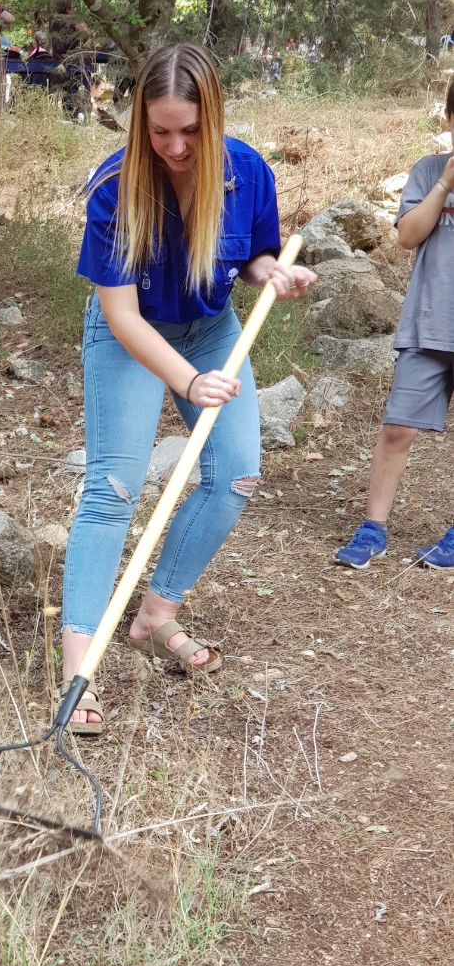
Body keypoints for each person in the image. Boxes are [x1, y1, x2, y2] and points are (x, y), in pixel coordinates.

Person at [60, 42, 316, 733]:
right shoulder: (117, 188)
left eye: (191, 130)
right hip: (134, 334)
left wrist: (272, 275)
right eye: (160, 130)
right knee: (112, 490)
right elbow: (119, 313)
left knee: (235, 475)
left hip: (209, 327)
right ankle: (76, 671)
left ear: (214, 116)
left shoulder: (247, 172)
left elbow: (257, 254)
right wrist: (188, 381)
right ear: (141, 124)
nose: (175, 147)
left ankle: (156, 613)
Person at [334, 82, 454, 571]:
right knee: (397, 428)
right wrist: (445, 184)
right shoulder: (427, 171)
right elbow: (407, 235)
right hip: (429, 324)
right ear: (448, 118)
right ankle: (372, 528)